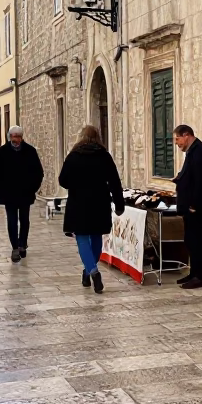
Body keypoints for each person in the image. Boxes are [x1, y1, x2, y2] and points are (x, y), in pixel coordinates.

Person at [58, 125, 124, 293]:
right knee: (96, 236)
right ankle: (89, 271)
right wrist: (119, 204)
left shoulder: (73, 156)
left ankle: (92, 271)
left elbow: (63, 180)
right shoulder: (104, 156)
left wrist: (76, 183)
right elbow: (115, 182)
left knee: (81, 238)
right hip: (99, 202)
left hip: (78, 202)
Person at [0, 126, 44, 263]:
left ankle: (22, 244)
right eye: (13, 136)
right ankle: (15, 247)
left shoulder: (30, 151)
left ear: (22, 137)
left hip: (26, 192)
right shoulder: (1, 152)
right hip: (9, 193)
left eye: (18, 136)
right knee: (11, 220)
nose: (16, 139)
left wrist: (33, 188)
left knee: (24, 220)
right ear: (10, 137)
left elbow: (38, 172)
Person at [171, 124, 202, 290]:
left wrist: (194, 205)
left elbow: (201, 182)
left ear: (186, 135)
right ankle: (194, 272)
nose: (177, 143)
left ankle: (199, 277)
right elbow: (190, 176)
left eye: (177, 139)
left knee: (195, 241)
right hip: (190, 206)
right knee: (190, 240)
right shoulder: (192, 151)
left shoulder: (200, 153)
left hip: (196, 207)